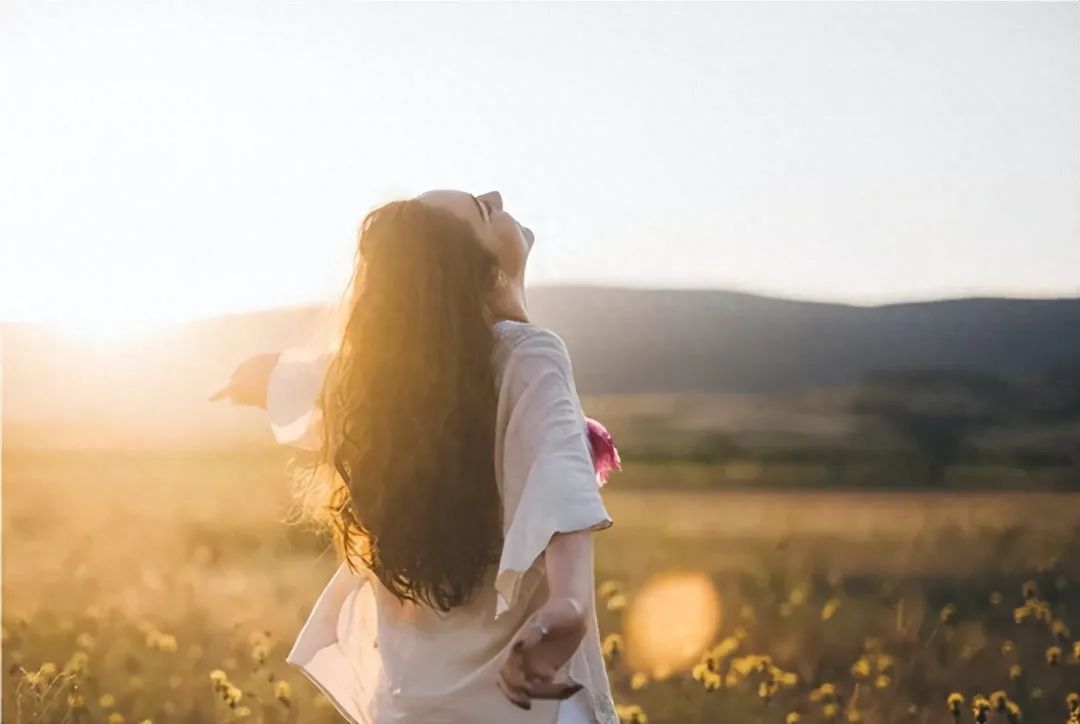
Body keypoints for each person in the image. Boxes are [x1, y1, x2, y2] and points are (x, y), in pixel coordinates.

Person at [212, 190, 620, 724]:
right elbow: (560, 493)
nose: (495, 196)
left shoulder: (386, 386)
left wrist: (260, 379)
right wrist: (567, 607)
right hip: (521, 706)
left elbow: (313, 384)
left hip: (410, 701)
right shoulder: (532, 355)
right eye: (481, 209)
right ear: (482, 272)